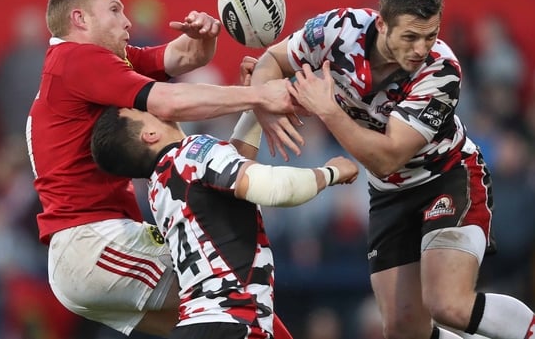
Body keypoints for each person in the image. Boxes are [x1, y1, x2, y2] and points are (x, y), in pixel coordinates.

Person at [248, 0, 535, 339]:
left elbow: (388, 158)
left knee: (449, 304)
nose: (420, 48)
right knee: (404, 328)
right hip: (389, 193)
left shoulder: (442, 70)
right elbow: (271, 60)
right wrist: (264, 106)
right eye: (410, 36)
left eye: (430, 36)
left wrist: (329, 110)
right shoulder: (337, 30)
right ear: (382, 23)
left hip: (447, 176)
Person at [25, 0, 296, 338]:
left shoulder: (86, 66)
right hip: (95, 241)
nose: (127, 21)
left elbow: (184, 57)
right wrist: (260, 96)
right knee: (235, 292)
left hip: (88, 252)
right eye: (114, 9)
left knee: (221, 322)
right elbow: (167, 101)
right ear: (80, 19)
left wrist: (203, 38)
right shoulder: (77, 58)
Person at [89, 105, 359, 338]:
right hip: (232, 322)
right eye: (141, 110)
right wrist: (331, 172)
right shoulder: (193, 151)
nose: (152, 105)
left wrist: (255, 104)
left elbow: (232, 170)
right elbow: (274, 187)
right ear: (150, 135)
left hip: (198, 324)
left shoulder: (159, 185)